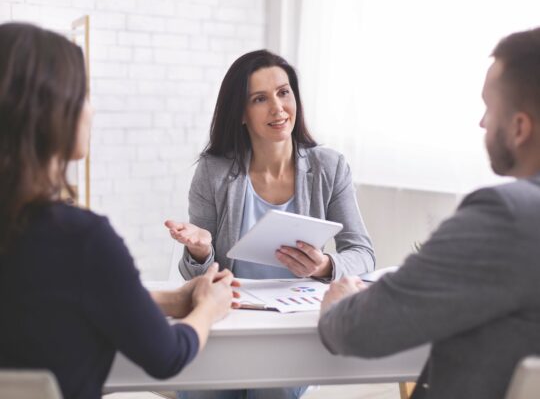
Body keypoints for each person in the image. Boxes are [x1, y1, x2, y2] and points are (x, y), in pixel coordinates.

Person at [0, 22, 237, 399]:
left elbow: (43, 299)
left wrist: (170, 300)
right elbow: (167, 356)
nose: (92, 110)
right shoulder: (81, 240)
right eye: (84, 95)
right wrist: (207, 308)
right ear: (51, 113)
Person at [318, 26, 540, 399]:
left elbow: (361, 329)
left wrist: (337, 304)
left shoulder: (507, 215)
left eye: (489, 107)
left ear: (519, 128)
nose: (483, 122)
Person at [165, 49, 375, 399]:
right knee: (207, 392)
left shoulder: (330, 167)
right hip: (228, 320)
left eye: (283, 92)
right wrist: (200, 250)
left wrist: (325, 265)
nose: (277, 108)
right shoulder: (213, 171)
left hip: (291, 327)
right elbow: (197, 277)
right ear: (242, 114)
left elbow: (363, 252)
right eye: (260, 99)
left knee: (270, 388)